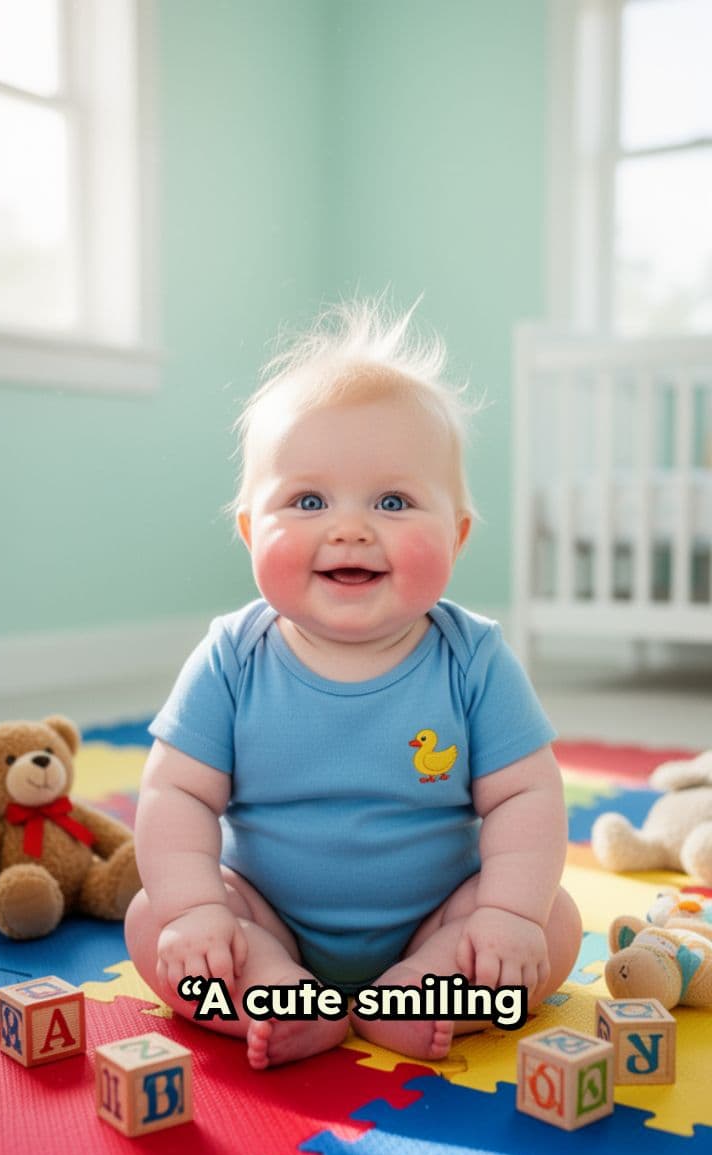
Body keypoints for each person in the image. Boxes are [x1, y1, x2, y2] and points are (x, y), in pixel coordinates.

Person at [125, 299, 582, 1070]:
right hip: (264, 916)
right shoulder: (232, 655)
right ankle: (277, 993)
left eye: (393, 502)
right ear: (248, 531)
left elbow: (526, 797)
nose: (349, 529)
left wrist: (505, 914)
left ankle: (420, 992)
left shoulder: (474, 658)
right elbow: (178, 795)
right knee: (152, 923)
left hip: (436, 923)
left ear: (458, 535)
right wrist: (199, 911)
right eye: (308, 501)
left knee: (553, 927)